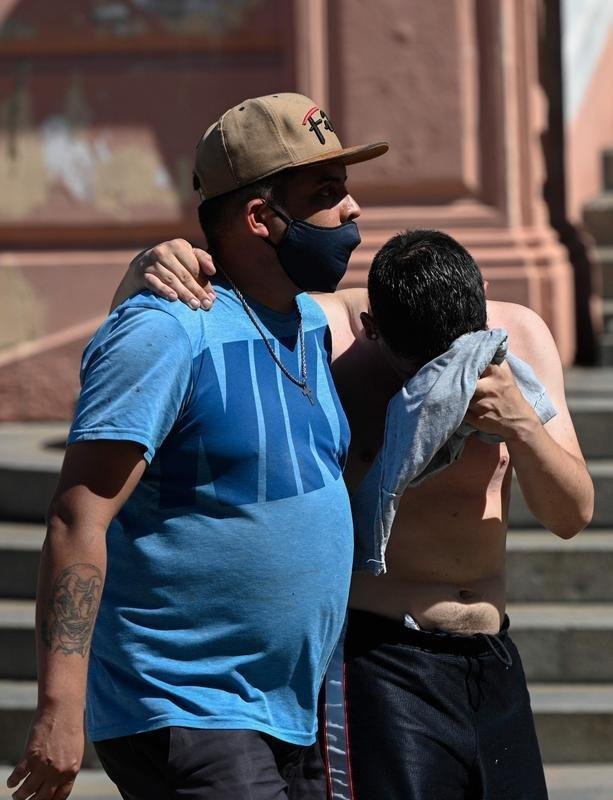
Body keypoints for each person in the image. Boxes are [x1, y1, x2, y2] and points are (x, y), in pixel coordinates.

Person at [7, 92, 389, 800]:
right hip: (187, 706)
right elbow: (76, 519)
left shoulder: (309, 322)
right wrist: (60, 709)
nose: (353, 211)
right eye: (327, 193)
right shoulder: (165, 332)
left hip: (292, 710)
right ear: (259, 218)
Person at [121, 228, 594, 800]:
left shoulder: (520, 337)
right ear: (372, 328)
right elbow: (171, 335)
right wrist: (145, 269)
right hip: (382, 662)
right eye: (420, 371)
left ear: (484, 298)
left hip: (491, 660)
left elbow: (571, 514)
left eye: (460, 364)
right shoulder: (317, 339)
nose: (442, 386)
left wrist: (521, 424)